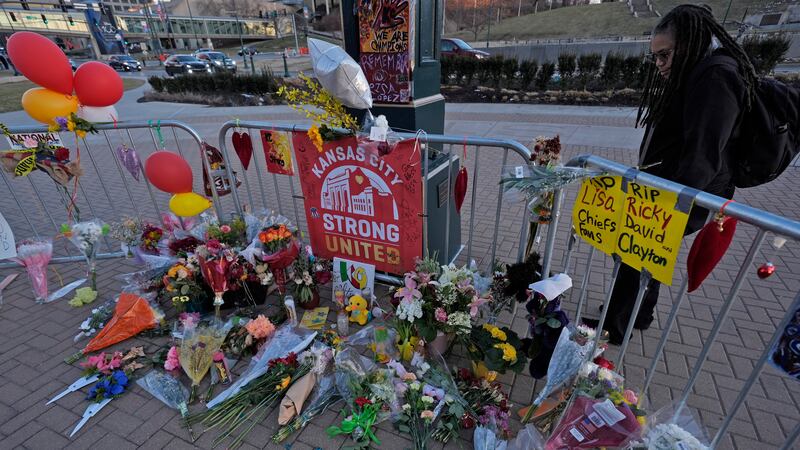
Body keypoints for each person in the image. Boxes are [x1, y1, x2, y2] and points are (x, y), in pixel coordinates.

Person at [583, 4, 758, 345]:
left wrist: (669, 202)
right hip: (670, 187)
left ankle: (615, 325)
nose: (659, 65)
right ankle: (639, 313)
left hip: (685, 192)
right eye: (655, 58)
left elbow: (703, 152)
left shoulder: (716, 77)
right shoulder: (699, 72)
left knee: (636, 248)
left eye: (664, 55)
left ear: (690, 45)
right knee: (646, 251)